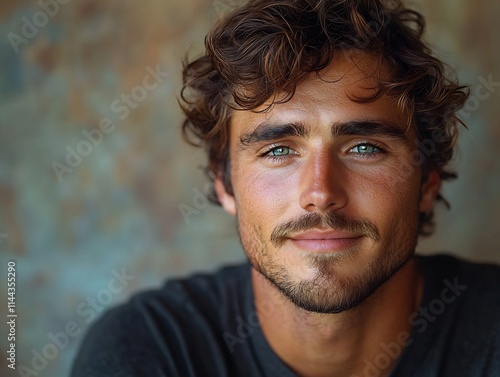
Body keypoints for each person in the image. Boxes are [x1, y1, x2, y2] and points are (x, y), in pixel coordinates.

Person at [71, 0, 500, 376]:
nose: (320, 192)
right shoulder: (146, 351)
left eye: (365, 147)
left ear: (427, 181)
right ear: (224, 184)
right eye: (278, 150)